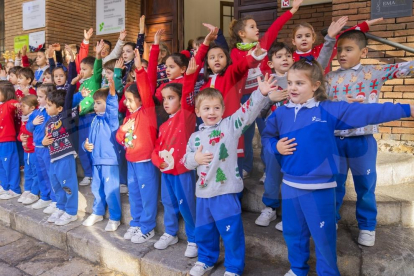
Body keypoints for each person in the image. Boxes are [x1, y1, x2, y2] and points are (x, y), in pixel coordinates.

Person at [261, 58, 414, 276]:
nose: (292, 88)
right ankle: (297, 269)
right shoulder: (280, 113)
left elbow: (369, 113)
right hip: (290, 186)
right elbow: (267, 136)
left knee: (324, 238)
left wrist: (406, 108)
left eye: (299, 83)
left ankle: (328, 272)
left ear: (315, 85)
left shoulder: (329, 110)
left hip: (320, 189)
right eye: (290, 82)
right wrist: (275, 146)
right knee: (294, 234)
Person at [255, 17, 347, 230]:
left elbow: (321, 61)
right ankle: (269, 207)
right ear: (271, 63)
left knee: (292, 175)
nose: (286, 59)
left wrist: (330, 39)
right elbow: (258, 110)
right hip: (276, 136)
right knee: (273, 172)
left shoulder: (300, 78)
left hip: (296, 135)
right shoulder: (270, 81)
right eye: (281, 57)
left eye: (289, 56)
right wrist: (271, 98)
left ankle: (290, 214)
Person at [326, 29, 414, 247]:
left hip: (363, 141)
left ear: (363, 51)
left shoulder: (375, 71)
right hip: (334, 141)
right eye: (339, 50)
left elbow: (406, 67)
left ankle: (367, 225)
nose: (342, 54)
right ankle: (331, 220)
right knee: (333, 184)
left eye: (349, 49)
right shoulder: (329, 78)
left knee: (365, 186)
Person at [184, 65, 273, 276]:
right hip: (203, 193)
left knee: (231, 232)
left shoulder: (230, 126)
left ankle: (233, 267)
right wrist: (194, 158)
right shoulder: (195, 137)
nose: (211, 112)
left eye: (216, 108)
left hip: (225, 191)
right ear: (198, 112)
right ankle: (205, 259)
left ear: (223, 110)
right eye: (206, 108)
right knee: (204, 231)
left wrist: (260, 93)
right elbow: (186, 161)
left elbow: (247, 112)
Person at [229, 0, 302, 179]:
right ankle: (246, 166)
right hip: (245, 98)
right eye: (252, 26)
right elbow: (239, 68)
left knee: (266, 132)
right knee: (245, 135)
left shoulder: (263, 44)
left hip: (265, 96)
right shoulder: (235, 53)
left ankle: (267, 168)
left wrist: (292, 10)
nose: (257, 29)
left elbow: (275, 27)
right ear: (241, 33)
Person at [151, 58, 199, 257]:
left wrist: (189, 76)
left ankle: (195, 238)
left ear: (181, 100)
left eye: (171, 97)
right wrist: (157, 161)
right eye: (164, 99)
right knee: (169, 203)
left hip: (182, 171)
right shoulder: (163, 125)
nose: (166, 102)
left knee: (186, 204)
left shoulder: (186, 117)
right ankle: (171, 233)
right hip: (166, 172)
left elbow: (188, 92)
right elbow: (156, 148)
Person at [116, 50, 159, 244]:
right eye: (126, 99)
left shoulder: (147, 112)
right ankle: (137, 222)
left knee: (147, 194)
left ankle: (148, 227)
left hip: (145, 162)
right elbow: (119, 136)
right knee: (134, 193)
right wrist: (123, 130)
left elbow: (144, 88)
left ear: (141, 99)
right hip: (131, 161)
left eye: (130, 100)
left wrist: (140, 69)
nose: (127, 103)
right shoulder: (129, 117)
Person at [82, 78, 121, 232]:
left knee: (111, 191)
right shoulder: (94, 120)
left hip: (109, 162)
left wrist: (112, 94)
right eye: (95, 103)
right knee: (97, 188)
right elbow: (88, 140)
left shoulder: (110, 120)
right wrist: (85, 146)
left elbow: (112, 109)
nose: (95, 106)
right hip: (96, 161)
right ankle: (98, 212)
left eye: (98, 103)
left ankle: (114, 217)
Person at [42, 72, 80, 226]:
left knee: (68, 184)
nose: (46, 107)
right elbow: (46, 139)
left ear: (59, 108)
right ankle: (61, 206)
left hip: (66, 156)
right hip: (53, 157)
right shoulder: (49, 121)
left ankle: (71, 212)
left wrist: (71, 85)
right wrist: (44, 142)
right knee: (56, 184)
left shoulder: (66, 117)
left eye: (49, 105)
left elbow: (68, 100)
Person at [72, 40, 105, 186]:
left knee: (92, 145)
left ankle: (96, 174)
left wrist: (98, 55)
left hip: (92, 117)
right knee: (82, 146)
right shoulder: (82, 84)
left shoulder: (95, 80)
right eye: (81, 68)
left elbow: (98, 70)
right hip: (82, 118)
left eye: (84, 69)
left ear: (92, 71)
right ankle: (88, 174)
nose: (81, 72)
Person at [26, 83, 57, 214]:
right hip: (37, 149)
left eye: (40, 97)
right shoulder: (36, 112)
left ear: (49, 97)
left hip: (47, 148)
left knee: (51, 174)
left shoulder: (51, 112)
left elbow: (53, 128)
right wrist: (32, 123)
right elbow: (28, 127)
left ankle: (55, 200)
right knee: (41, 173)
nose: (37, 99)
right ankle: (45, 196)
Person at [0, 81, 21, 199]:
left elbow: (14, 103)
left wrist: (17, 105)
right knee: (1, 165)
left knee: (10, 165)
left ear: (6, 93)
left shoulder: (8, 104)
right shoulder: (1, 105)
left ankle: (14, 189)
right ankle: (4, 186)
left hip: (7, 141)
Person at [17, 95, 39, 205]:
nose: (21, 108)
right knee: (27, 171)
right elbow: (21, 132)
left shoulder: (35, 119)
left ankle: (34, 192)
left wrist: (25, 133)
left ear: (32, 108)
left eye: (24, 106)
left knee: (35, 172)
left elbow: (33, 131)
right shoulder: (24, 119)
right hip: (27, 151)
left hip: (34, 150)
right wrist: (20, 137)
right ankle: (27, 189)